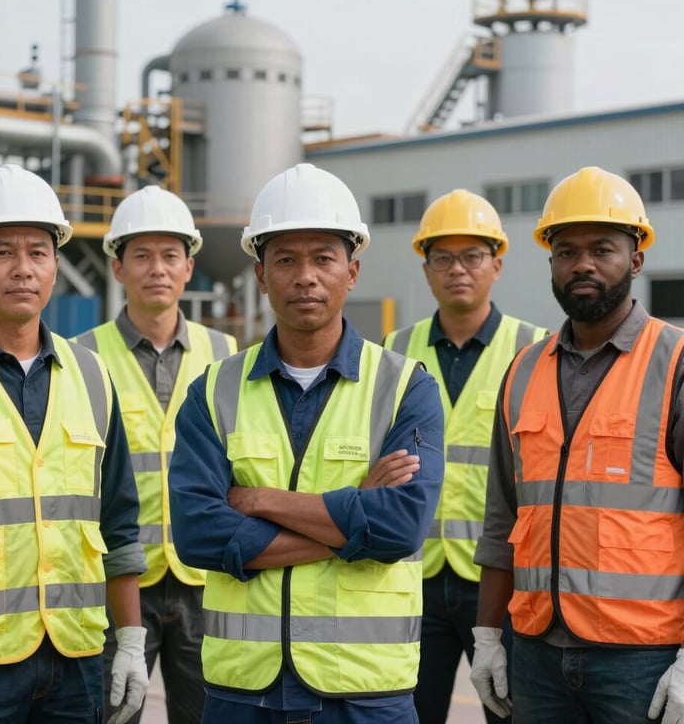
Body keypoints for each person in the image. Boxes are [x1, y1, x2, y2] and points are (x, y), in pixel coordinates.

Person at [168, 162, 445, 724]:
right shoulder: (213, 391)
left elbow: (398, 528)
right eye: (286, 260)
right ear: (262, 274)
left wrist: (257, 499)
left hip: (366, 694)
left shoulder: (404, 386)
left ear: (353, 271)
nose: (306, 276)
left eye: (324, 258)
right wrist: (352, 515)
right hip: (242, 694)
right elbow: (197, 534)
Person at [0, 164, 148, 724]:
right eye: (2, 252)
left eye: (38, 252)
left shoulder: (92, 376)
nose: (23, 269)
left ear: (56, 264)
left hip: (76, 660)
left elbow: (118, 525)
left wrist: (133, 642)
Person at [470, 166, 684, 724]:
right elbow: (503, 520)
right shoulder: (522, 371)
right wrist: (488, 636)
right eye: (565, 251)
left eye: (602, 249)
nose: (582, 263)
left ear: (635, 259)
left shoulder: (676, 363)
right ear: (550, 265)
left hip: (644, 658)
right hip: (536, 651)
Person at [74, 185, 238, 724]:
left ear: (190, 267)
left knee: (209, 715)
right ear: (117, 268)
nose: (157, 269)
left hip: (203, 577)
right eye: (141, 256)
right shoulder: (82, 358)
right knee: (112, 713)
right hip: (120, 583)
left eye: (170, 256)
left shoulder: (226, 354)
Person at [384, 190, 548, 724]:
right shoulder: (393, 351)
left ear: (497, 265)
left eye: (472, 256)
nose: (458, 269)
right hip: (414, 577)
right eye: (443, 257)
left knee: (509, 711)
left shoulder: (534, 351)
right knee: (410, 712)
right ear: (426, 268)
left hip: (499, 578)